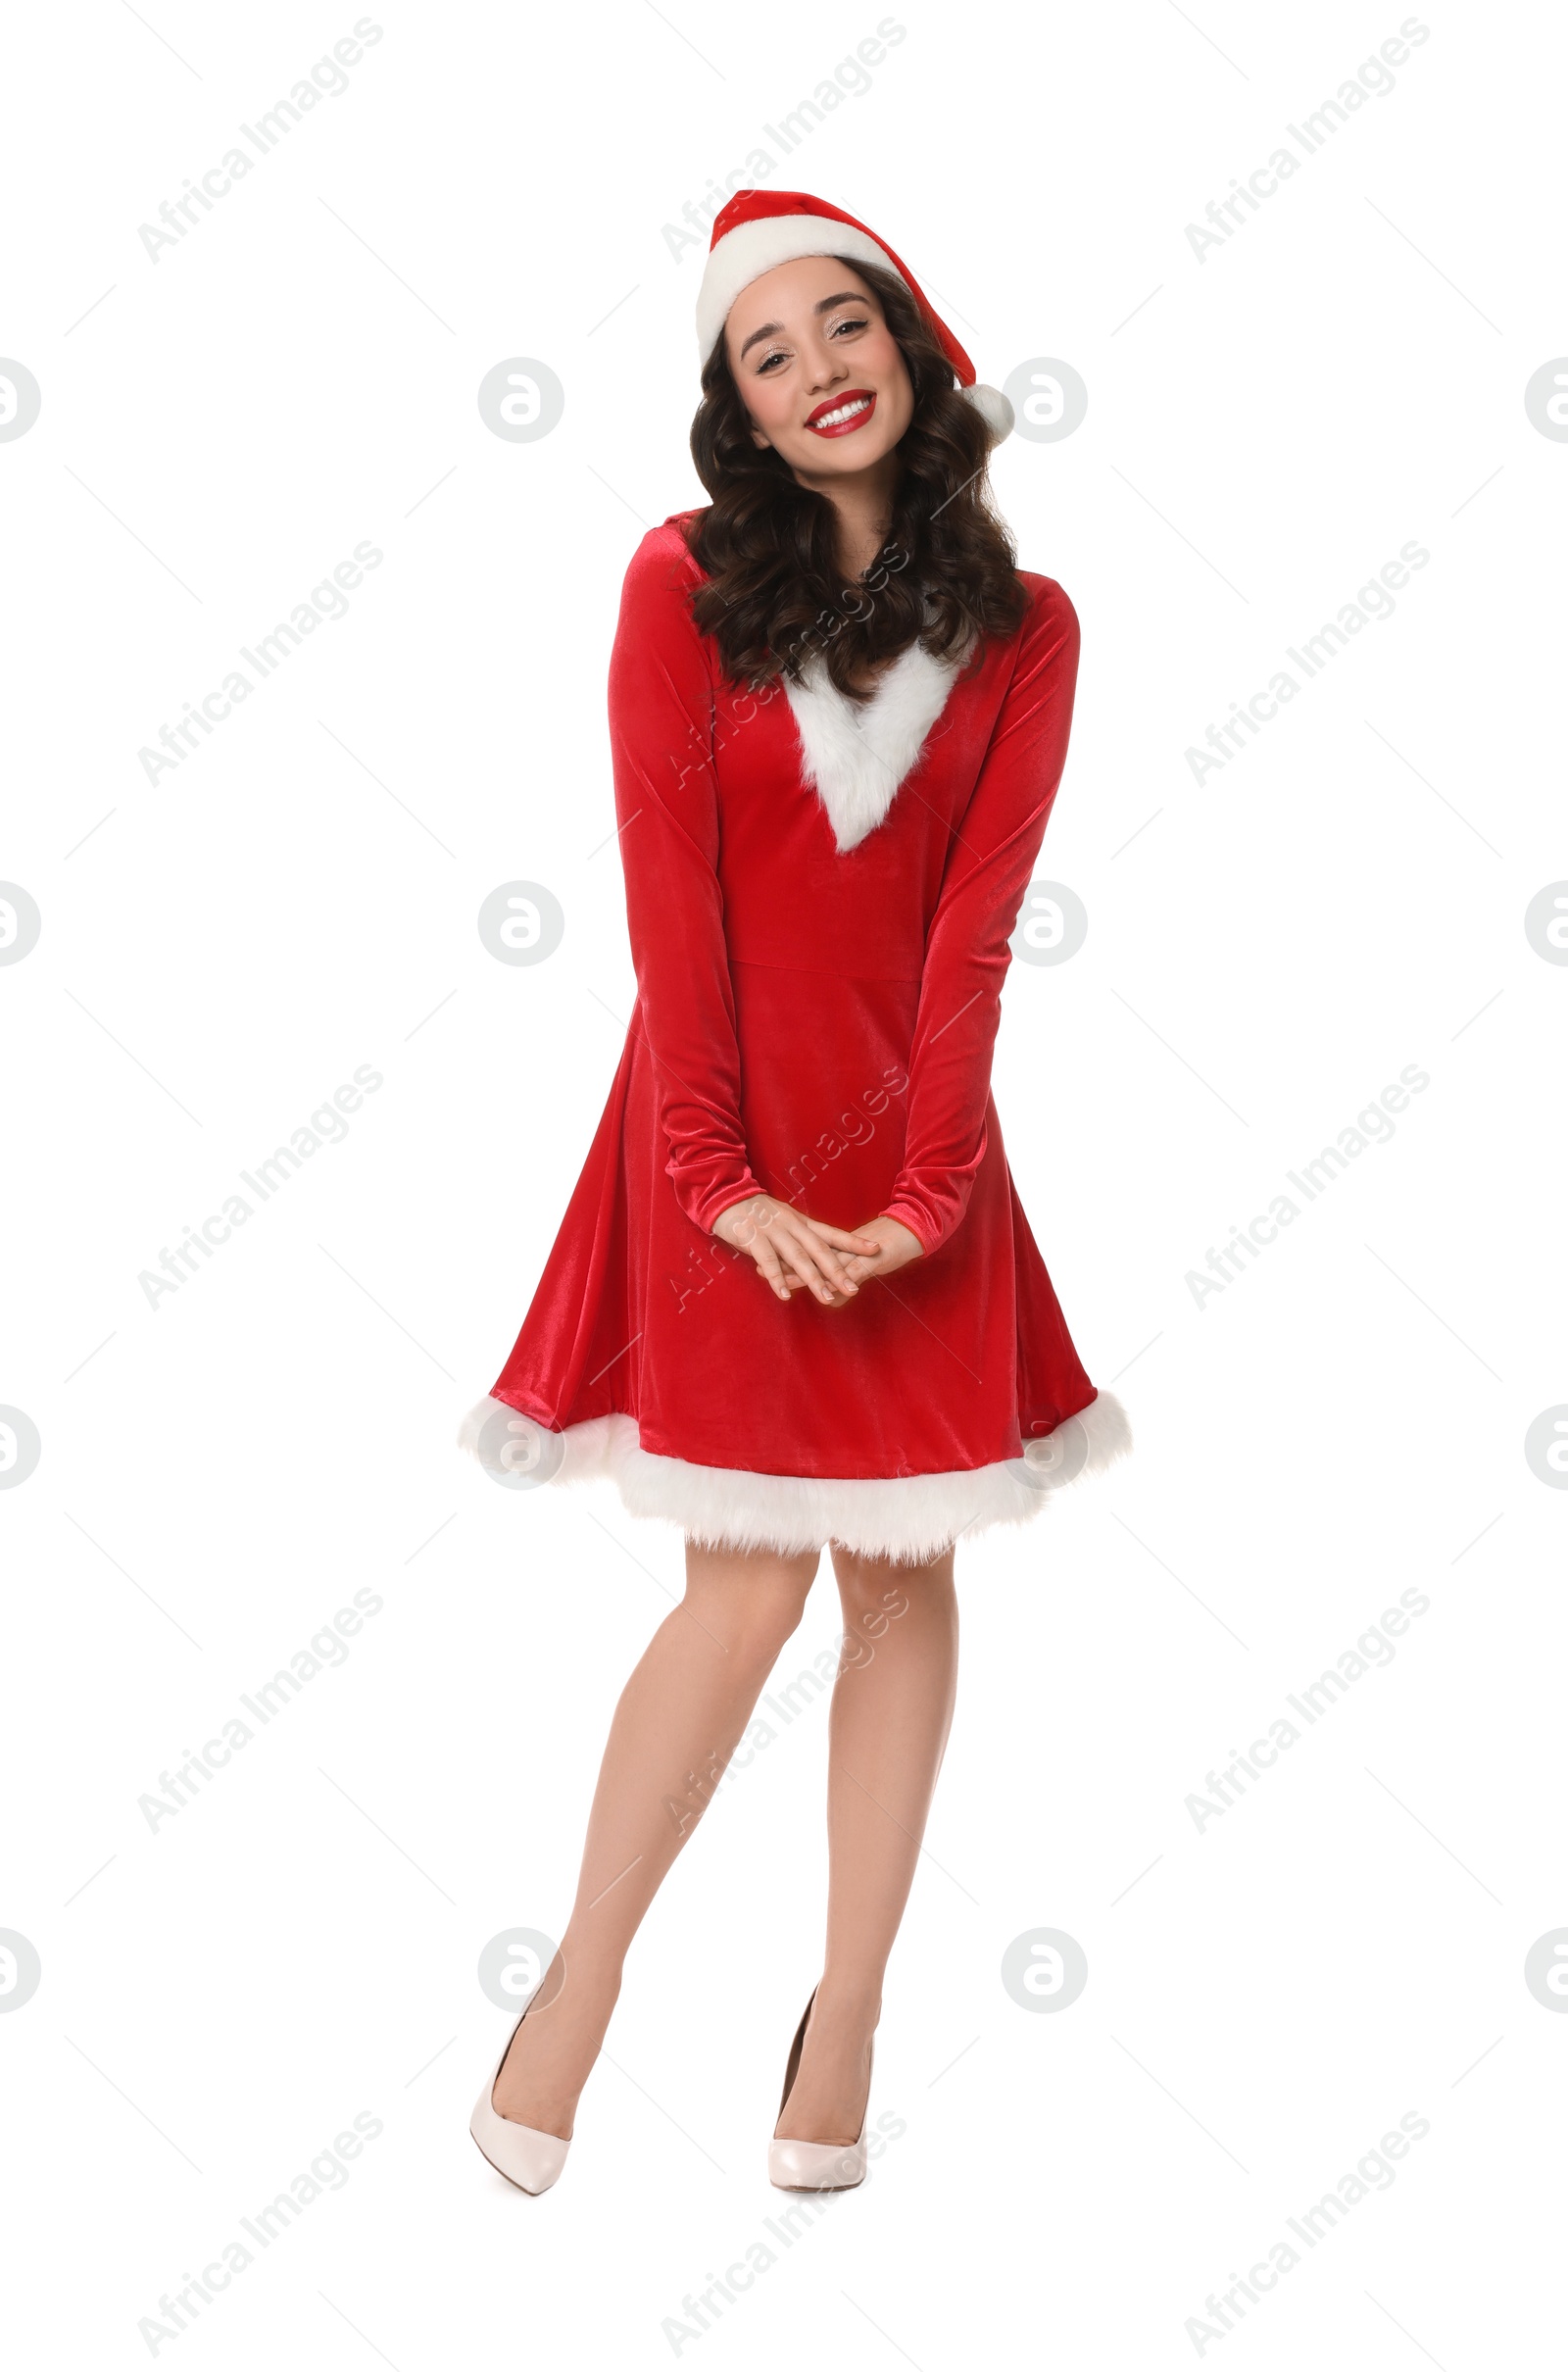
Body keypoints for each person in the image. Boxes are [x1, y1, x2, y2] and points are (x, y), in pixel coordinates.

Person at [462, 189, 1131, 2196]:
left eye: (843, 326)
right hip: (710, 1129)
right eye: (766, 352)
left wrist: (926, 1199)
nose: (815, 369)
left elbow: (968, 938)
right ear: (734, 413)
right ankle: (580, 1980)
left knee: (902, 1567)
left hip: (911, 1152)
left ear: (910, 351)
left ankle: (842, 2011)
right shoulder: (673, 586)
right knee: (742, 1581)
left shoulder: (1026, 627)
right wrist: (710, 1177)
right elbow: (668, 903)